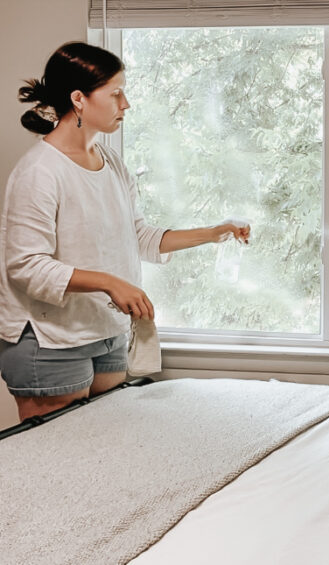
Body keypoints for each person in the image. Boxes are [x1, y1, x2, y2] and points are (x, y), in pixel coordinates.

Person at [0, 41, 251, 422]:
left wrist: (213, 232)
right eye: (116, 93)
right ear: (79, 100)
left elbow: (138, 237)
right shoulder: (39, 172)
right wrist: (109, 283)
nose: (126, 103)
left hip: (104, 330)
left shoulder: (111, 162)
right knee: (57, 464)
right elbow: (26, 266)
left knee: (108, 453)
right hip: (50, 338)